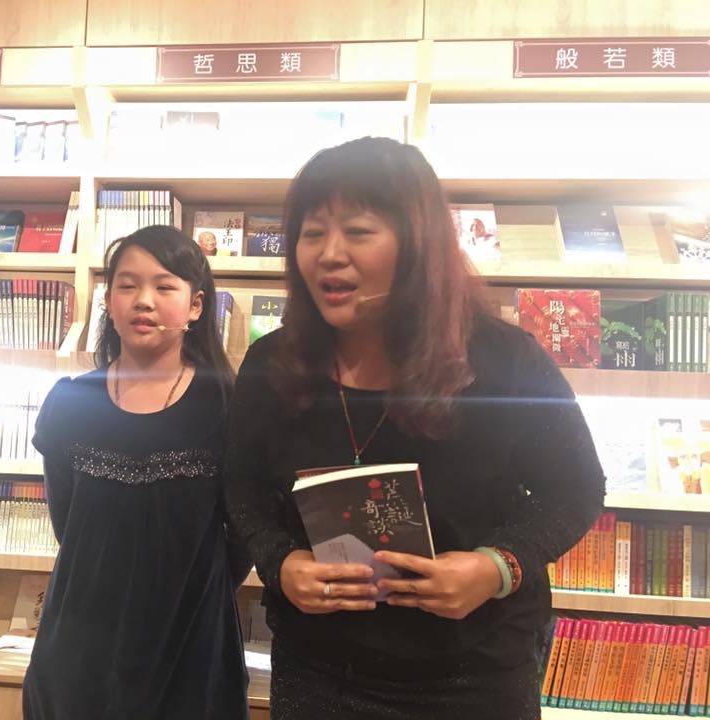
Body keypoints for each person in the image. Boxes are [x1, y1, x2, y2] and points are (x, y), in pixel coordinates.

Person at [224, 137, 605, 720]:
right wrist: (281, 564)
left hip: (474, 670)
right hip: (319, 667)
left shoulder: (504, 360)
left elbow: (575, 489)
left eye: (358, 231)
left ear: (419, 243)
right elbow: (243, 485)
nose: (329, 254)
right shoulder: (273, 363)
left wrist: (496, 567)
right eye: (312, 232)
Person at [23, 225, 250, 720]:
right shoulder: (71, 402)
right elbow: (68, 525)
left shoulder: (230, 405)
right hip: (80, 652)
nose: (143, 300)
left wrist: (189, 588)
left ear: (196, 306)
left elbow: (242, 537)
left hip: (191, 646)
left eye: (164, 286)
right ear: (109, 301)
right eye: (127, 285)